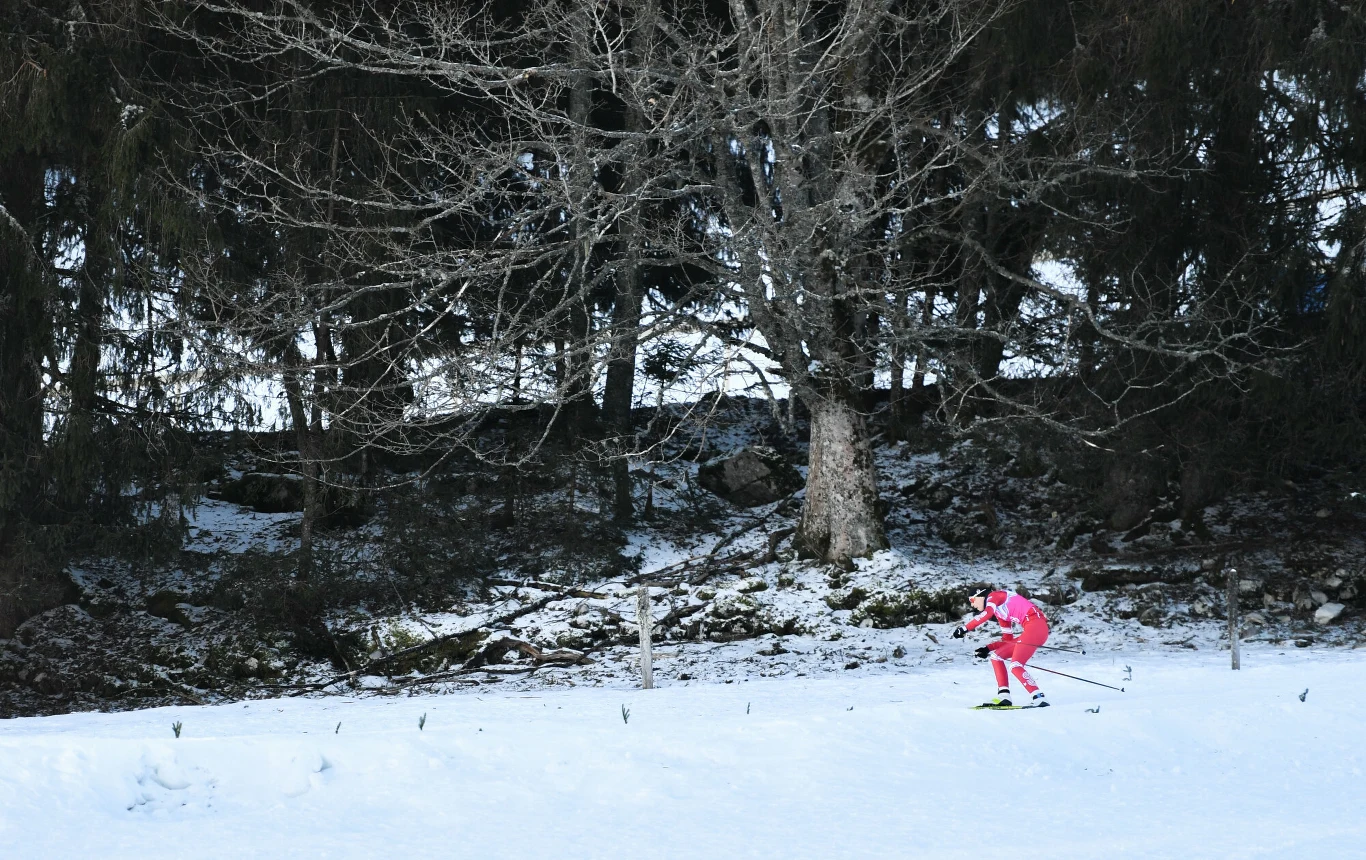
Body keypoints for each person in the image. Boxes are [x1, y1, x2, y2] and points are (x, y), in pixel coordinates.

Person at [952, 586, 1049, 708]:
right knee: (996, 657)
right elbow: (1007, 640)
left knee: (1016, 665)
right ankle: (1004, 696)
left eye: (972, 600)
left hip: (1036, 625)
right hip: (1034, 628)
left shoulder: (995, 596)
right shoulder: (1000, 612)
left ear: (981, 596)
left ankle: (1039, 697)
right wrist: (987, 648)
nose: (972, 605)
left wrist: (965, 628)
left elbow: (987, 613)